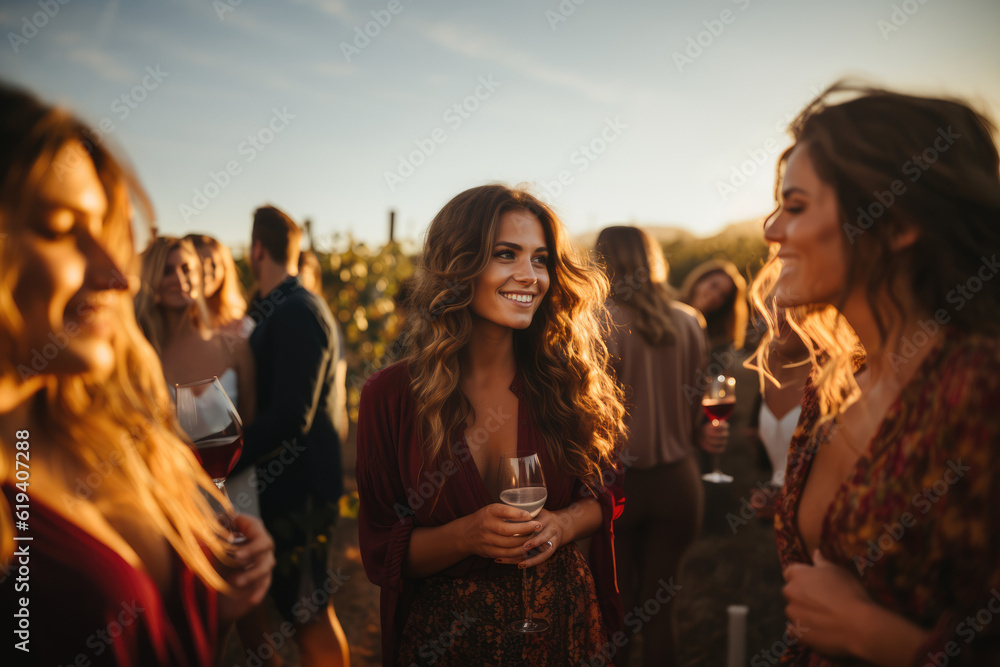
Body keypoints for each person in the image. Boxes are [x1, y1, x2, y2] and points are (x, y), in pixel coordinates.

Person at [0, 84, 274, 666]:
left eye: (105, 232)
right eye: (58, 227)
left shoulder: (114, 431)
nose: (114, 276)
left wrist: (207, 599)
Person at [751, 81, 1000, 665]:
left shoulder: (980, 389)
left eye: (797, 206)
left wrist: (875, 637)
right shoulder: (835, 381)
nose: (770, 231)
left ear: (897, 222)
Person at [356, 184, 628, 666]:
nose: (530, 276)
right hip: (447, 642)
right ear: (458, 265)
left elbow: (609, 495)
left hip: (561, 629)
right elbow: (382, 550)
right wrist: (466, 536)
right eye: (507, 254)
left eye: (541, 259)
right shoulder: (390, 397)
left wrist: (563, 525)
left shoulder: (569, 381)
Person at [594, 225, 724, 667]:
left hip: (616, 488)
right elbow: (696, 406)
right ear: (653, 260)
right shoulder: (690, 320)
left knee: (616, 613)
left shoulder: (597, 321)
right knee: (661, 612)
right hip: (679, 482)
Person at [231, 205, 348, 667]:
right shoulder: (278, 307)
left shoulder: (298, 310)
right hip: (284, 489)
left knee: (309, 610)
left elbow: (292, 416)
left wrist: (223, 459)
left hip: (301, 494)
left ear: (256, 249)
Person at [134, 236, 256, 422]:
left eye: (186, 269)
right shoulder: (140, 355)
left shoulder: (235, 347)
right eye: (167, 271)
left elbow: (251, 426)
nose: (179, 279)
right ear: (150, 279)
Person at [680, 259, 748, 368]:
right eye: (713, 286)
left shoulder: (718, 343)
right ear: (699, 281)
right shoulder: (666, 310)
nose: (714, 296)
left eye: (722, 295)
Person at [184, 233, 250, 336]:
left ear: (225, 269)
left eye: (213, 265)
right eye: (198, 264)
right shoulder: (172, 328)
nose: (206, 272)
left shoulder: (240, 324)